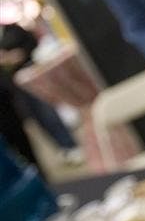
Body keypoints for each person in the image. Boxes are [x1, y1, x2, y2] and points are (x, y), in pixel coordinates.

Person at [0, 23, 84, 165]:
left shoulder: (12, 29)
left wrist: (20, 54)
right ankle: (63, 148)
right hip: (13, 87)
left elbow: (31, 41)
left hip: (31, 75)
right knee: (36, 118)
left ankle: (70, 145)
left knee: (47, 112)